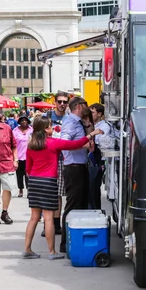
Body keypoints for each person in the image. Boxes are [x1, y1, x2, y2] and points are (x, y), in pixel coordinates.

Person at [23, 116, 103, 260]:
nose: (52, 128)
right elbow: (74, 144)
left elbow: (28, 168)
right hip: (48, 181)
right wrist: (92, 134)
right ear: (45, 129)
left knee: (34, 217)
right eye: (49, 126)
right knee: (48, 218)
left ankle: (27, 249)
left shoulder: (31, 145)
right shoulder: (53, 143)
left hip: (34, 181)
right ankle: (52, 251)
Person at [59, 96, 91, 253]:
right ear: (79, 106)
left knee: (81, 205)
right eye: (86, 105)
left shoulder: (78, 122)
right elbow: (64, 143)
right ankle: (65, 243)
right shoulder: (70, 122)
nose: (88, 107)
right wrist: (82, 144)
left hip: (79, 166)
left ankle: (76, 240)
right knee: (73, 206)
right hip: (73, 168)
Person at [41, 91, 70, 237]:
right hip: (46, 159)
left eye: (65, 102)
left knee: (58, 193)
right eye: (60, 101)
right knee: (47, 193)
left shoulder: (70, 119)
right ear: (55, 102)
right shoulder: (46, 117)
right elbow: (38, 136)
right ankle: (47, 223)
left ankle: (56, 223)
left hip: (63, 159)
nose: (62, 104)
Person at [88, 103, 114, 210]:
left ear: (99, 114)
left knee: (94, 187)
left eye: (92, 112)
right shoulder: (91, 125)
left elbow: (100, 141)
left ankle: (95, 210)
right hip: (91, 159)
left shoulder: (104, 126)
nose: (90, 114)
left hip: (99, 160)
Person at [12, 115, 32, 198]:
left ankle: (29, 191)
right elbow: (12, 143)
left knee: (28, 174)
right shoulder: (15, 131)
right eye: (22, 120)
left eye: (25, 120)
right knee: (19, 174)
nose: (24, 121)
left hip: (29, 156)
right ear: (19, 122)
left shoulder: (31, 130)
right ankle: (20, 190)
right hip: (19, 156)